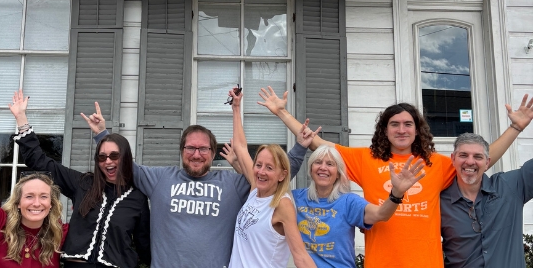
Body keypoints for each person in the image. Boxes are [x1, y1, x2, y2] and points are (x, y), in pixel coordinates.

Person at [258, 86, 533, 268]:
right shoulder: (366, 159)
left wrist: (515, 128)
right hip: (381, 262)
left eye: (408, 124)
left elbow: (481, 159)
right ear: (385, 130)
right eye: (395, 124)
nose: (401, 130)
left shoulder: (436, 163)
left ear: (417, 129)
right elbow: (316, 143)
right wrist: (282, 112)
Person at [86, 97, 313, 268]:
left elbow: (273, 175)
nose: (196, 154)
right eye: (190, 148)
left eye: (203, 149)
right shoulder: (160, 178)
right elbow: (124, 165)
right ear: (182, 151)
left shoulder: (233, 184)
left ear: (213, 153)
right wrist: (101, 134)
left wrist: (301, 147)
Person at [222, 119, 426, 268]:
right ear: (311, 169)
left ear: (338, 172)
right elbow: (266, 183)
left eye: (330, 164)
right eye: (318, 162)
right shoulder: (295, 198)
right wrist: (240, 166)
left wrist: (396, 194)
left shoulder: (348, 202)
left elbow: (381, 214)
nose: (323, 168)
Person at [9, 90, 150, 268]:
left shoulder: (137, 198)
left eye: (114, 156)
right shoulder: (84, 184)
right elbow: (39, 162)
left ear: (125, 158)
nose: (108, 161)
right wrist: (21, 118)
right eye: (102, 157)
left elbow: (145, 247)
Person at [227, 87, 316, 268]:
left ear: (282, 174)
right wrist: (236, 107)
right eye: (258, 165)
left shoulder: (282, 204)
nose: (261, 172)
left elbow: (300, 255)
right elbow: (240, 147)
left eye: (269, 168)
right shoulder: (255, 190)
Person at [441, 133, 533, 268]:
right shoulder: (439, 202)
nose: (470, 162)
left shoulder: (510, 187)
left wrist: (516, 128)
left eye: (478, 156)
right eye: (463, 155)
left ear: (487, 163)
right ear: (453, 159)